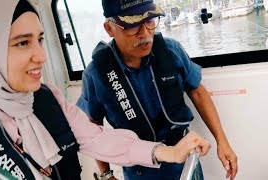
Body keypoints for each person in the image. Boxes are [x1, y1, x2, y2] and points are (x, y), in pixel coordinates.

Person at [0, 0, 211, 179]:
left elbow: (97, 138)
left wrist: (168, 152)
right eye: (21, 43)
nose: (40, 56)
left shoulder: (47, 97)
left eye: (40, 40)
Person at [76, 0, 238, 179]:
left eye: (150, 21)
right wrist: (106, 174)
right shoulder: (95, 74)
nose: (145, 33)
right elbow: (93, 127)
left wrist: (222, 141)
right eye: (133, 26)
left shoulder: (171, 50)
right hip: (139, 170)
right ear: (109, 28)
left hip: (184, 159)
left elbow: (197, 92)